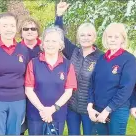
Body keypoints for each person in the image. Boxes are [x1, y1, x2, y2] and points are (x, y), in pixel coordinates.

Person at [55, 1, 103, 135]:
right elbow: (59, 36)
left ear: (94, 37)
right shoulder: (73, 52)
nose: (85, 38)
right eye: (82, 35)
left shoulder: (101, 57)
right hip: (72, 107)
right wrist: (59, 15)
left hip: (90, 108)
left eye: (89, 35)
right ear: (78, 37)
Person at [24, 26, 77, 135]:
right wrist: (42, 110)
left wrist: (52, 109)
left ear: (60, 45)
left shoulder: (67, 65)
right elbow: (28, 90)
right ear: (42, 44)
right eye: (47, 41)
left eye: (54, 41)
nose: (50, 44)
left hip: (57, 115)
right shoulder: (33, 63)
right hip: (36, 114)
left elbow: (68, 91)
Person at [87, 23, 136, 135]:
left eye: (116, 37)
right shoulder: (101, 58)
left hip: (117, 110)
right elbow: (92, 83)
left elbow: (126, 89)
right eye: (110, 37)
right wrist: (90, 106)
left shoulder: (129, 59)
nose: (113, 40)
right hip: (98, 108)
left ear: (122, 39)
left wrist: (107, 110)